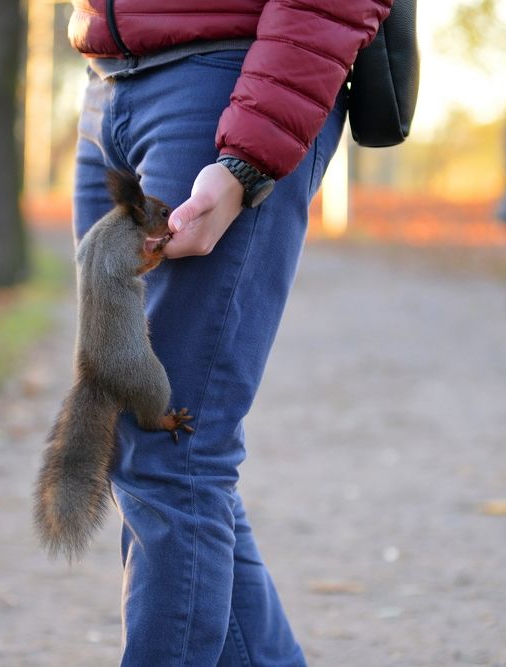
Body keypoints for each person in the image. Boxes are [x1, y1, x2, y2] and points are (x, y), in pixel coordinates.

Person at [68, 2, 392, 665]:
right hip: (106, 85)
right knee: (153, 444)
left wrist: (247, 158)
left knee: (174, 446)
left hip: (227, 83)